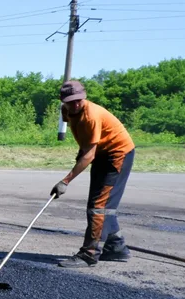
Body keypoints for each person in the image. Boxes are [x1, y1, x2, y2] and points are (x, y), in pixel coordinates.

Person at [51, 80, 136, 268]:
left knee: (99, 206)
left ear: (85, 96)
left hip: (117, 154)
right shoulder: (67, 111)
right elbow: (80, 133)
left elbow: (89, 153)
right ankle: (116, 247)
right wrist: (82, 149)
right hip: (101, 153)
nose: (75, 105)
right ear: (63, 101)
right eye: (70, 101)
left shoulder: (92, 115)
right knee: (102, 205)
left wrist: (65, 181)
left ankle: (89, 254)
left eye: (78, 100)